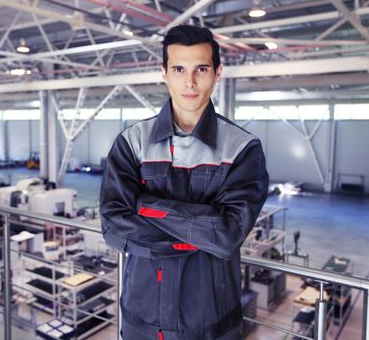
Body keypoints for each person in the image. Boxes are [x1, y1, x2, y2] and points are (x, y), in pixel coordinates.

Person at [99, 25, 269, 340]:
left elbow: (228, 233)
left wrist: (144, 205)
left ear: (218, 73)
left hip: (211, 323)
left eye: (200, 69)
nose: (189, 82)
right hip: (140, 319)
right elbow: (112, 225)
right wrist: (197, 236)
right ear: (163, 73)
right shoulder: (132, 142)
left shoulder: (242, 148)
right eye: (179, 69)